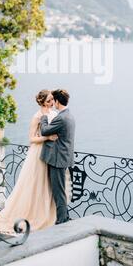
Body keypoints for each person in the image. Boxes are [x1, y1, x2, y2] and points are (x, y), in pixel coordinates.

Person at [0, 90, 60, 234]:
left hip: (51, 153)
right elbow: (31, 139)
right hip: (37, 153)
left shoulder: (54, 114)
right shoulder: (37, 117)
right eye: (49, 100)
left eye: (52, 100)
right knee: (36, 183)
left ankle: (47, 212)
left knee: (47, 184)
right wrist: (47, 138)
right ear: (42, 102)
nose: (52, 103)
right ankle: (34, 215)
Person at [40, 89, 75, 224]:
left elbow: (44, 131)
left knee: (58, 191)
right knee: (61, 189)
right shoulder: (69, 115)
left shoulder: (61, 117)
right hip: (65, 157)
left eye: (53, 100)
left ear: (57, 101)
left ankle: (62, 221)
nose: (52, 103)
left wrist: (44, 117)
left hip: (58, 159)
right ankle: (64, 216)